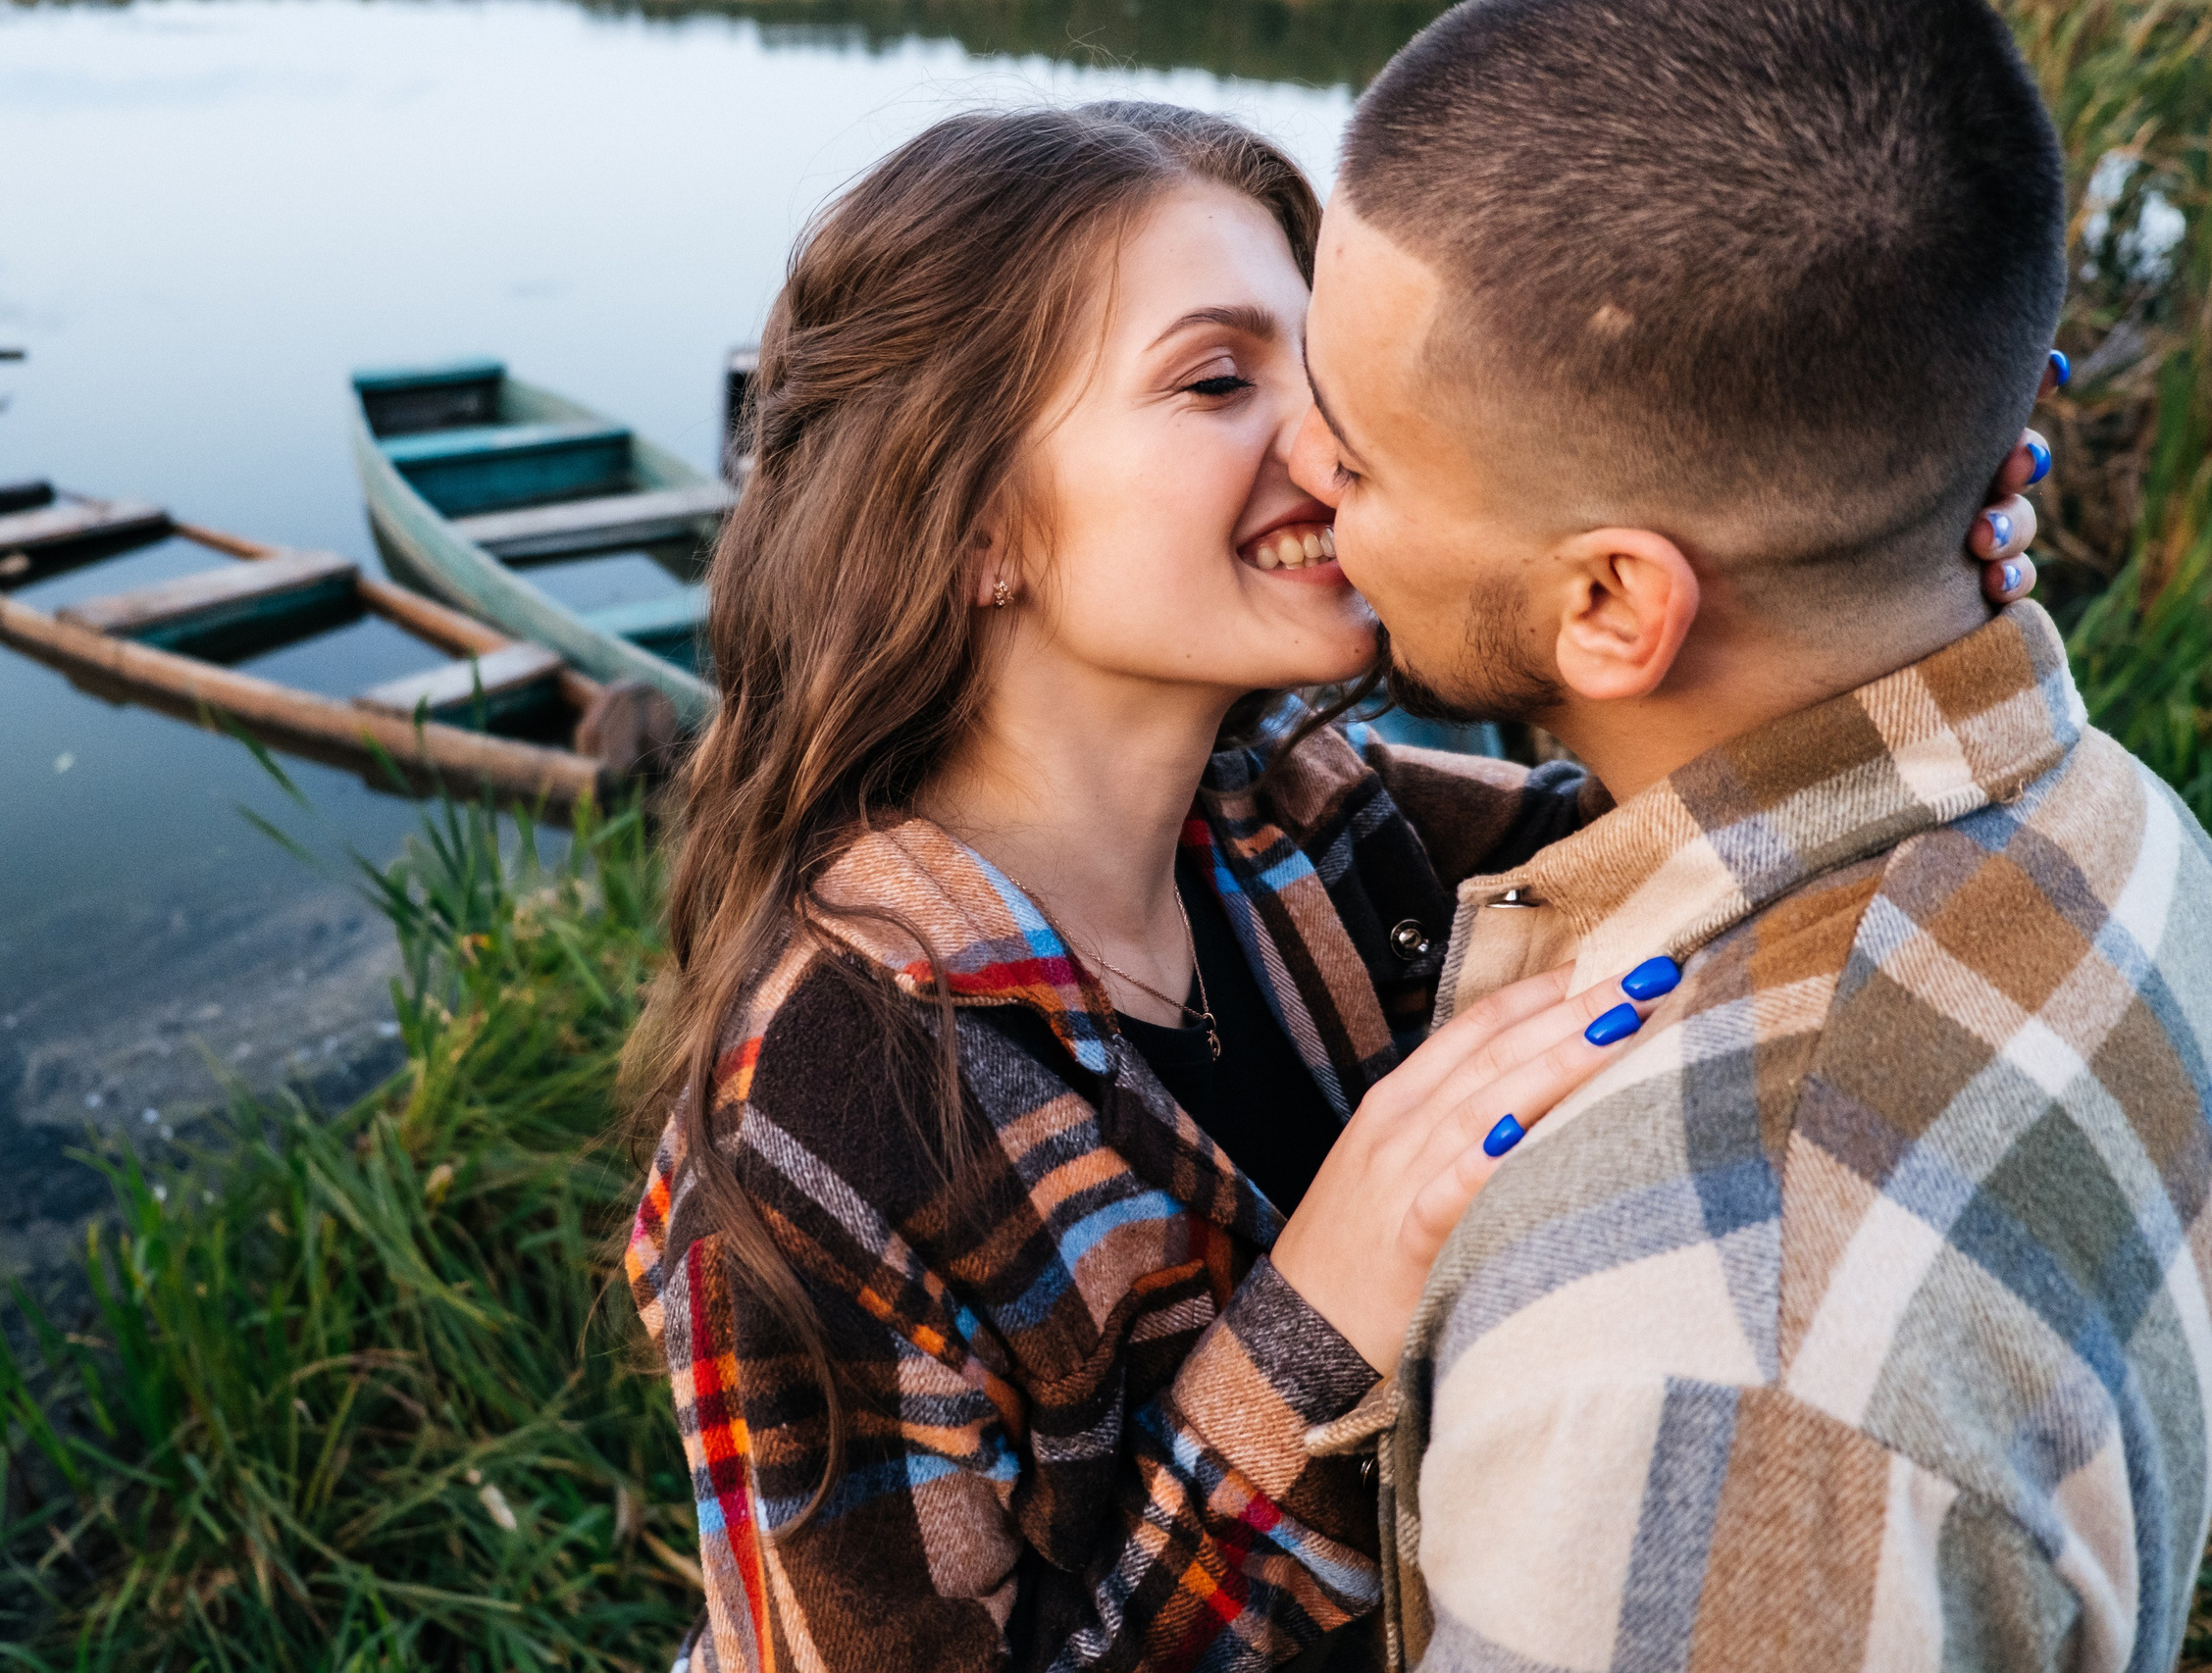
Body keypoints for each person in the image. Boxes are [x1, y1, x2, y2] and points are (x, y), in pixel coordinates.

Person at [623, 100, 2046, 1672]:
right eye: (1216, 380)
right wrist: (1312, 1327)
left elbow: (1700, 822)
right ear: (969, 527)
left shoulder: (1304, 817)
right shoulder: (826, 1107)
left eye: (1320, 370)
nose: (1330, 445)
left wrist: (1877, 567)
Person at [1287, 2, 2212, 1669]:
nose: (1295, 461)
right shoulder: (2121, 822)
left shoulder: (1687, 1383)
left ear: (1609, 601)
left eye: (1353, 461)